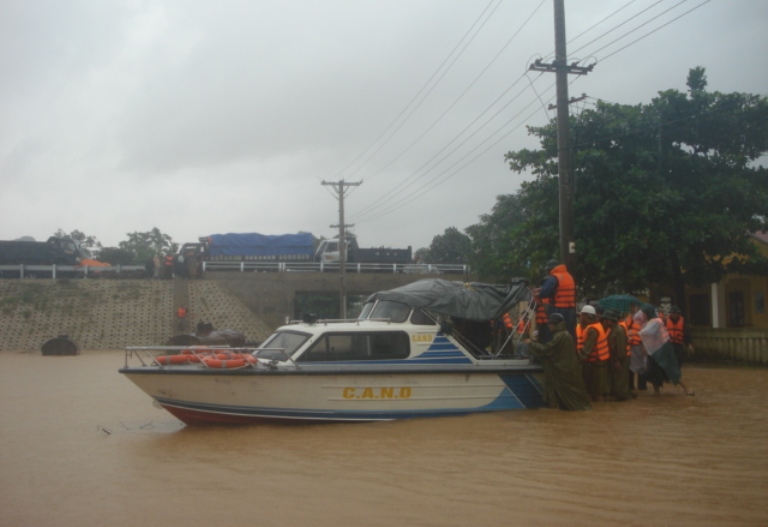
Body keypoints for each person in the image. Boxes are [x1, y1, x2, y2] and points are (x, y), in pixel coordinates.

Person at [525, 313, 592, 411]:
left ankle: (554, 407)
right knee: (554, 386)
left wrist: (531, 343)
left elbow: (546, 349)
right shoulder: (565, 334)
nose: (548, 325)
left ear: (555, 324)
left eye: (550, 323)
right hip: (563, 368)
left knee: (561, 390)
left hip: (561, 370)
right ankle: (554, 406)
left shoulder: (560, 336)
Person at [635, 304, 695, 396]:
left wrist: (632, 332)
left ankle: (686, 388)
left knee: (670, 369)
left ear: (648, 313)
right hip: (654, 351)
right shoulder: (651, 322)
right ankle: (657, 391)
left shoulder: (656, 322)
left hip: (663, 350)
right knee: (654, 371)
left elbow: (645, 332)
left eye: (644, 313)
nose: (643, 315)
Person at [536, 259, 577, 341]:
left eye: (547, 270)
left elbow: (545, 292)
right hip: (571, 311)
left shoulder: (554, 277)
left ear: (551, 269)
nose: (547, 273)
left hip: (558, 310)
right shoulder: (569, 276)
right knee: (569, 334)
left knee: (554, 335)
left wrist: (538, 294)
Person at [578, 304, 610, 402]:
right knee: (597, 392)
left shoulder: (592, 330)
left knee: (596, 393)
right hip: (600, 362)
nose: (580, 317)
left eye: (582, 315)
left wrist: (575, 360)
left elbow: (586, 349)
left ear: (587, 316)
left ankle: (600, 413)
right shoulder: (596, 325)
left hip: (597, 364)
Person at [602, 309, 633, 401]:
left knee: (620, 378)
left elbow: (620, 347)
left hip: (620, 359)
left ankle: (622, 396)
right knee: (616, 377)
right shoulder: (612, 329)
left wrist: (618, 360)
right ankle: (618, 394)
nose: (604, 321)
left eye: (605, 319)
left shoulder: (618, 330)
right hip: (615, 358)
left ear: (610, 320)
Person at [625, 301, 647, 391]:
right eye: (631, 306)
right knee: (630, 366)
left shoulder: (642, 320)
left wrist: (645, 346)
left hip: (640, 345)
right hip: (630, 345)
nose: (632, 308)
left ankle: (642, 386)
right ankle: (630, 385)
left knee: (641, 365)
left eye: (634, 306)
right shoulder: (628, 319)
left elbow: (646, 333)